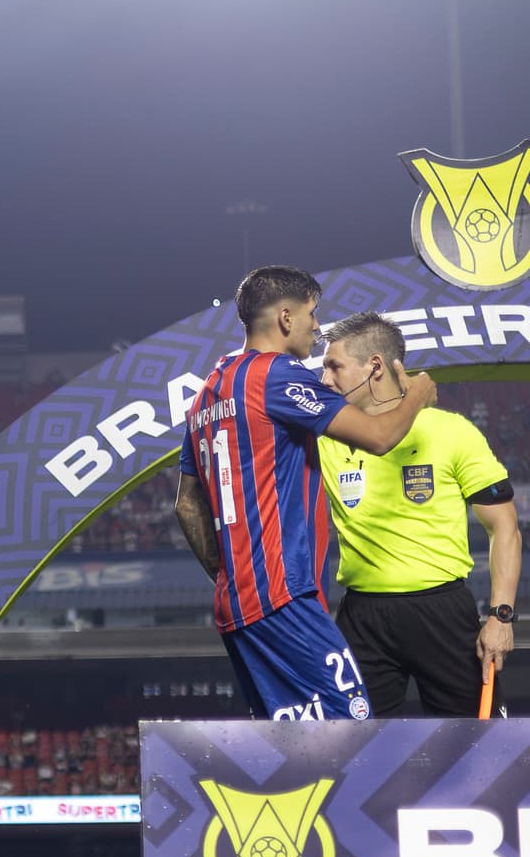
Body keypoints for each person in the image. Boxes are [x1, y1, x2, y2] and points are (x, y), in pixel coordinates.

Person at [175, 268, 438, 722]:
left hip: (237, 607)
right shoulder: (275, 376)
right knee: (349, 728)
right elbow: (377, 437)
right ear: (285, 317)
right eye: (313, 315)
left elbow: (186, 505)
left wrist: (233, 576)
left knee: (293, 748)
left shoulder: (208, 392)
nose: (317, 327)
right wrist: (416, 394)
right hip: (284, 596)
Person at [317, 311, 518, 715]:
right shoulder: (323, 437)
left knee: (473, 749)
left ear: (374, 366)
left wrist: (500, 616)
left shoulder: (452, 431)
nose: (325, 380)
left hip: (442, 611)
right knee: (354, 752)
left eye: (334, 366)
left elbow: (505, 528)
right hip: (362, 616)